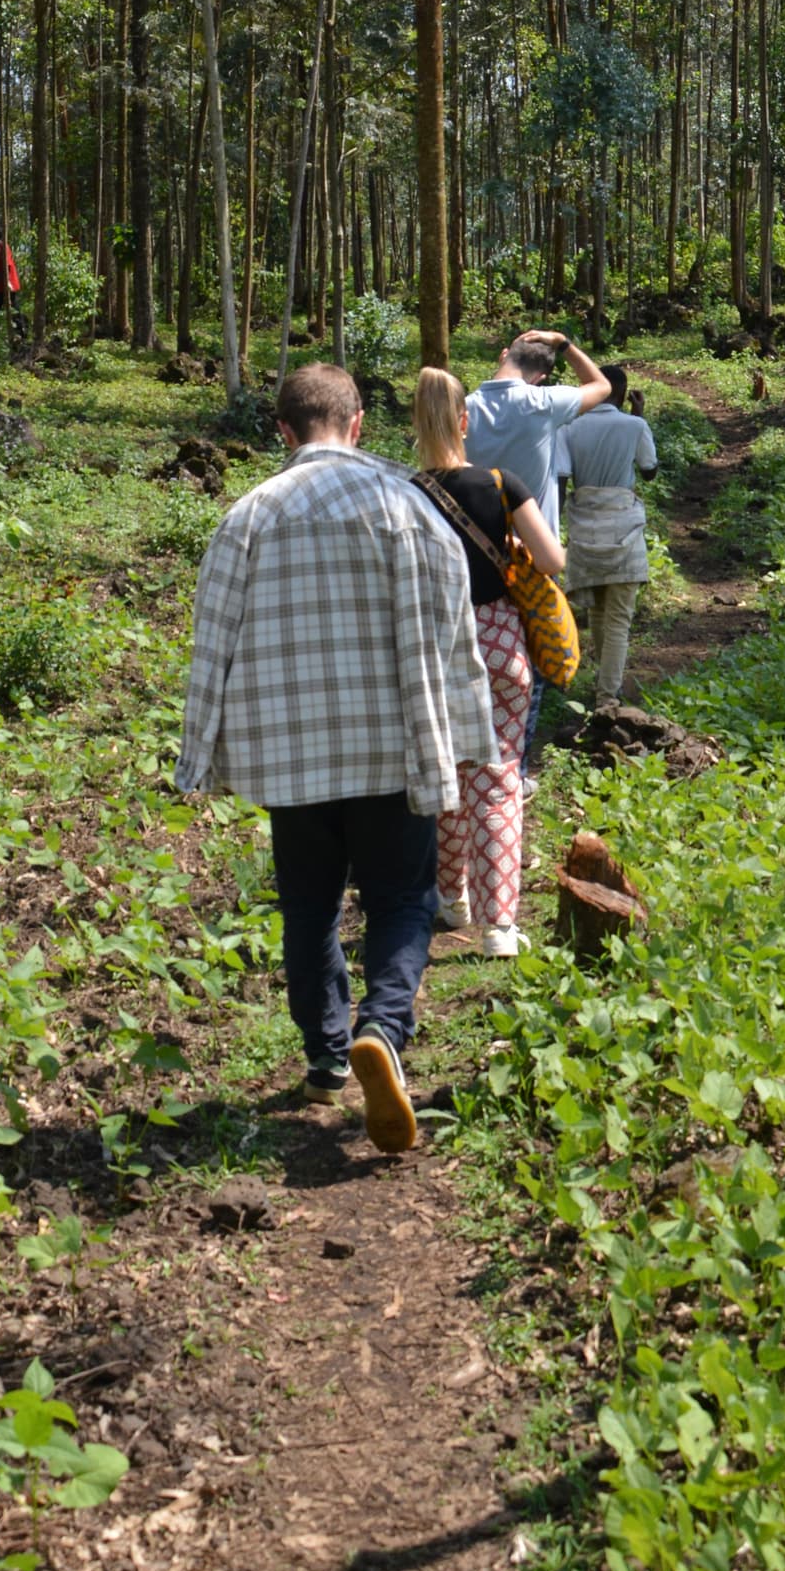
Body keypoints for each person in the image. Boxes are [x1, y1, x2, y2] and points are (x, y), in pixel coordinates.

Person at [177, 360, 494, 1152]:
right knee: (403, 900)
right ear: (358, 425)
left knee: (311, 906)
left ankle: (325, 1056)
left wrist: (197, 761)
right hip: (393, 747)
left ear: (282, 432)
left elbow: (210, 644)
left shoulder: (249, 515)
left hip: (294, 760)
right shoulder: (409, 508)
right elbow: (457, 639)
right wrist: (470, 741)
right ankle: (383, 1029)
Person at [408, 366, 567, 960]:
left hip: (437, 649)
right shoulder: (502, 484)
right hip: (500, 646)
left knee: (447, 775)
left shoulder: (407, 493)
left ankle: (454, 901)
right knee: (498, 781)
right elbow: (552, 561)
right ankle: (500, 926)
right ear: (465, 420)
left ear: (417, 425)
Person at [557, 362, 657, 710]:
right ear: (623, 392)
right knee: (618, 618)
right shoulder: (634, 425)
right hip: (624, 528)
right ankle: (606, 695)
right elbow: (649, 472)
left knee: (598, 612)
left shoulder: (569, 427)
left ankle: (603, 685)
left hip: (585, 528)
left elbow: (561, 479)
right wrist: (639, 415)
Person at [463, 328, 611, 538]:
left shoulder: (462, 408)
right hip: (533, 555)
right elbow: (602, 386)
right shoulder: (545, 404)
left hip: (476, 545)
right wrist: (563, 343)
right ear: (539, 378)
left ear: (503, 355)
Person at [0, 228, 21, 327]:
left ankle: (21, 331)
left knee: (13, 309)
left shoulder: (2, 247)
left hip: (7, 285)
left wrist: (8, 282)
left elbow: (7, 266)